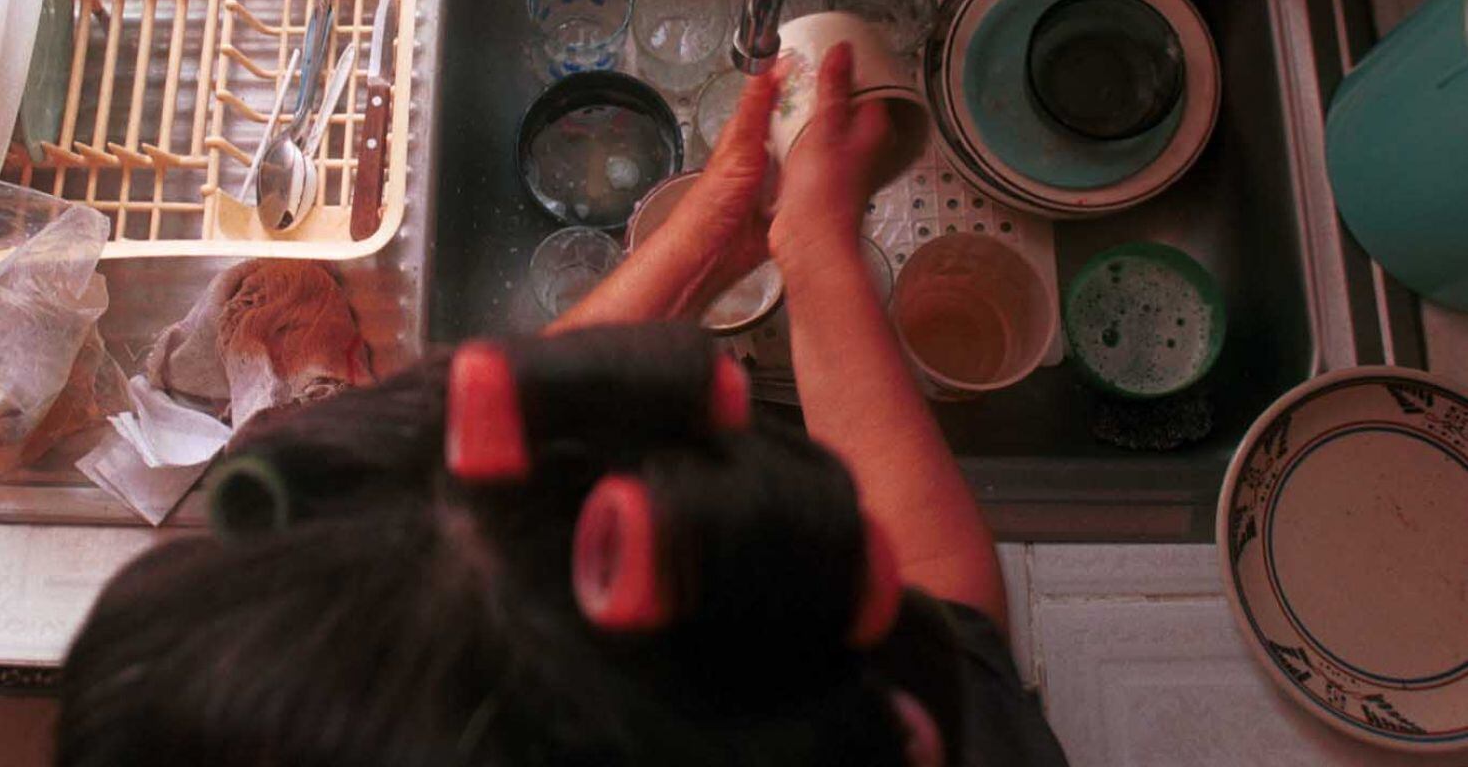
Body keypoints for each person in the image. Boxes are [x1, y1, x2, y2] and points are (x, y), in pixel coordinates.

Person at [57, 45, 1070, 767]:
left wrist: (704, 243)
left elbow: (477, 513)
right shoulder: (930, 730)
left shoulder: (153, 706)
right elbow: (944, 595)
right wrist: (814, 244)